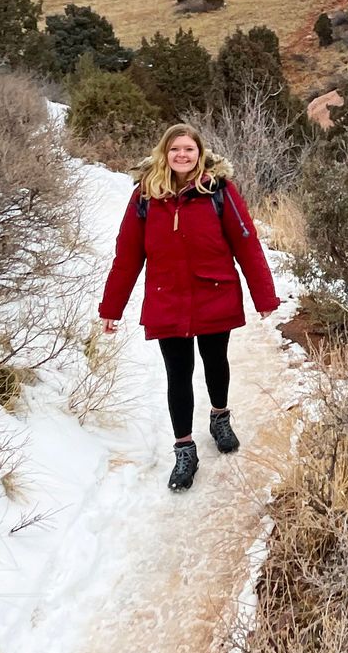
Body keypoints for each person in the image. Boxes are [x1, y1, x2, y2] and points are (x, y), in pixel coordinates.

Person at [99, 122, 280, 491]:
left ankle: (219, 416)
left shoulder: (219, 191)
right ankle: (184, 449)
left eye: (189, 149)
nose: (182, 155)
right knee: (177, 374)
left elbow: (246, 244)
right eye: (175, 149)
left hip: (215, 292)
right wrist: (111, 308)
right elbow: (127, 255)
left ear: (200, 154)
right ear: (165, 152)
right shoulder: (145, 197)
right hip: (168, 298)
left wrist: (264, 297)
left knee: (216, 362)